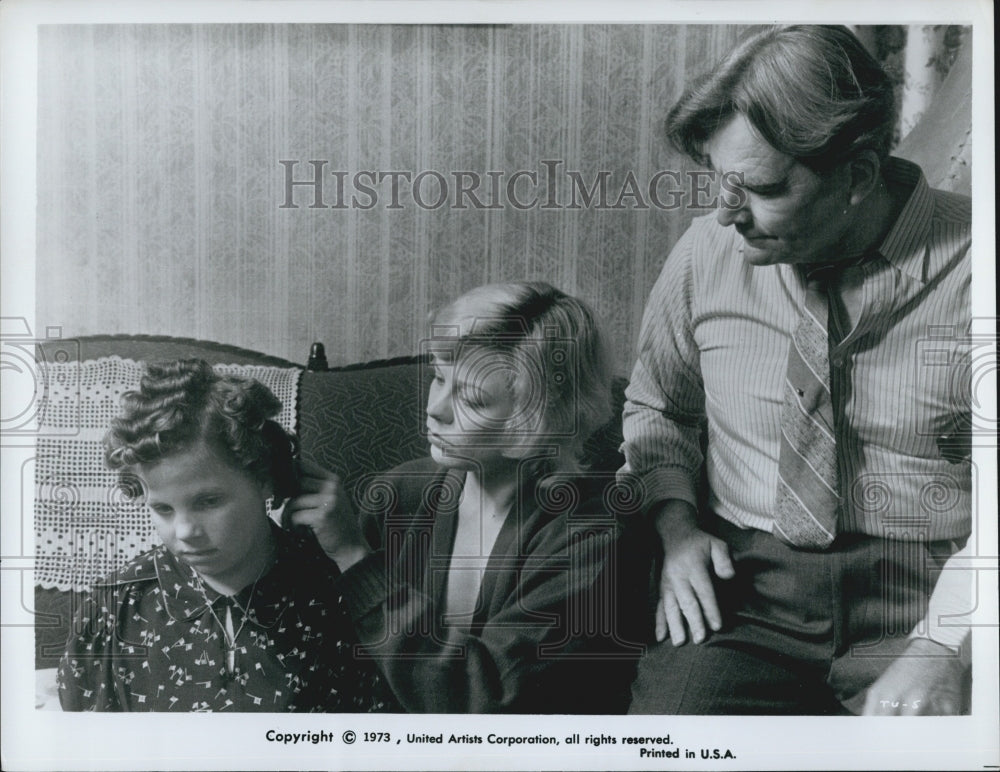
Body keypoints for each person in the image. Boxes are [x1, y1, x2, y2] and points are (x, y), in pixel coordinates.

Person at [622, 25, 972, 715]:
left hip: (931, 593)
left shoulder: (979, 269)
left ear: (859, 175)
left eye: (760, 189)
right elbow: (659, 409)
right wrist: (676, 527)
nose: (727, 215)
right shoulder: (704, 254)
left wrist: (944, 644)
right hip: (748, 590)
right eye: (720, 182)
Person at [286, 281, 649, 713]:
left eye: (472, 399)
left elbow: (479, 695)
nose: (436, 407)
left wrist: (355, 559)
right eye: (439, 377)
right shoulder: (399, 491)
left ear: (536, 417)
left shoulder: (588, 536)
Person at [57, 359, 392, 712]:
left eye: (209, 501)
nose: (185, 532)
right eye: (163, 509)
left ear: (265, 478)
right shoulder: (117, 605)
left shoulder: (336, 591)